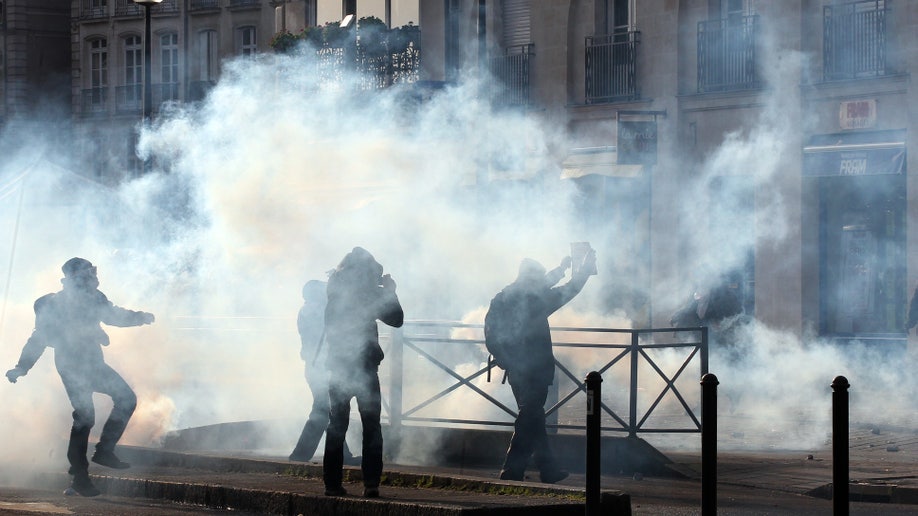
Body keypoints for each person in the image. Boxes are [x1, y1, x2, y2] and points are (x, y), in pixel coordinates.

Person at [5, 257, 155, 497]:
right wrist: (21, 367)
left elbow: (113, 315)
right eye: (86, 273)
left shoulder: (95, 297)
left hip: (93, 363)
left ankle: (104, 451)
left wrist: (139, 317)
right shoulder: (52, 304)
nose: (92, 278)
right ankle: (80, 477)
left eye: (92, 272)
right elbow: (38, 339)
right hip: (71, 365)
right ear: (73, 278)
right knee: (85, 416)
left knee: (126, 399)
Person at [489, 250, 596, 483]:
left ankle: (548, 469)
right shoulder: (536, 302)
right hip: (535, 369)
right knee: (529, 417)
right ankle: (512, 469)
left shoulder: (503, 297)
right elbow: (569, 290)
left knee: (533, 417)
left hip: (515, 369)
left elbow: (490, 332)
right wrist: (585, 271)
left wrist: (561, 268)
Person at [322, 247, 403, 498]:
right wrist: (389, 292)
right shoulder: (367, 293)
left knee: (337, 425)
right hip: (364, 368)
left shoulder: (335, 289)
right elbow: (396, 319)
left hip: (339, 367)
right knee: (371, 427)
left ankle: (332, 484)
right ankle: (371, 484)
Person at [288, 279, 353, 463]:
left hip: (317, 367)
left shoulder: (308, 310)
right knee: (322, 412)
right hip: (319, 368)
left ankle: (342, 454)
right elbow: (333, 314)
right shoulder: (314, 310)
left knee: (328, 411)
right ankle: (300, 455)